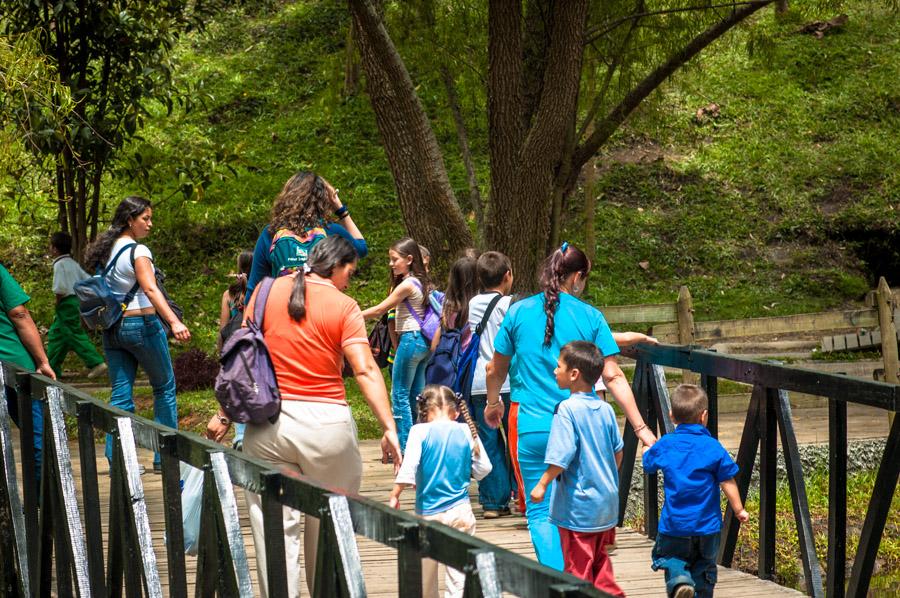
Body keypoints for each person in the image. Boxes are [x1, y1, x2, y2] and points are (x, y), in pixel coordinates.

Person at [206, 236, 401, 598]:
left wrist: (224, 414)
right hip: (327, 430)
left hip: (267, 428)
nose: (349, 281)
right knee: (329, 529)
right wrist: (389, 427)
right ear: (337, 267)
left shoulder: (263, 292)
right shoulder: (344, 305)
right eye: (350, 273)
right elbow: (365, 370)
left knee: (275, 536)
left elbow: (242, 360)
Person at [484, 242, 657, 570]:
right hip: (583, 428)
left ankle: (560, 582)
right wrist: (641, 428)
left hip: (532, 425)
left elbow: (495, 369)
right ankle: (580, 575)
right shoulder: (590, 316)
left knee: (539, 511)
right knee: (580, 504)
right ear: (577, 277)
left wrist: (493, 404)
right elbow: (614, 376)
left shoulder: (518, 312)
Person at [83, 196, 190, 471]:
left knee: (120, 395)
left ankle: (116, 457)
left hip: (113, 328)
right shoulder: (138, 251)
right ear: (130, 220)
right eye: (146, 219)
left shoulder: (104, 252)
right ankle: (165, 458)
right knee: (164, 388)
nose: (150, 224)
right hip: (142, 326)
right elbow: (151, 289)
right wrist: (174, 322)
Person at [530, 341, 624, 596]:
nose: (554, 370)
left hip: (578, 508)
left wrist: (541, 484)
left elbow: (561, 455)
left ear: (574, 374)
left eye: (558, 366)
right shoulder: (606, 409)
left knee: (577, 569)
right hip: (606, 505)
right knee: (600, 564)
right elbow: (618, 452)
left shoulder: (567, 409)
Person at [643, 384, 749, 598]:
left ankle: (679, 579)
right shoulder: (712, 447)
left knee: (670, 559)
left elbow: (648, 464)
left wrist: (646, 449)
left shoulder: (666, 444)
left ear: (672, 416)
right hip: (706, 528)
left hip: (674, 526)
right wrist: (739, 509)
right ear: (704, 416)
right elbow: (727, 480)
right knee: (704, 572)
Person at [389, 385, 491, 598]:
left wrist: (395, 495)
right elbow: (484, 468)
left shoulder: (420, 431)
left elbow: (409, 468)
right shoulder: (465, 430)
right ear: (455, 412)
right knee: (459, 577)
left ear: (424, 412)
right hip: (461, 512)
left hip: (429, 515)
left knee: (425, 577)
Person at [244, 171, 367, 304]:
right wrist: (341, 210)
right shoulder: (331, 231)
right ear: (323, 201)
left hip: (280, 313)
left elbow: (254, 288)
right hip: (321, 313)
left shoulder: (271, 233)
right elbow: (361, 249)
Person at [361, 238, 434, 452]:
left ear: (409, 259)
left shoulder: (408, 284)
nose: (391, 264)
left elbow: (379, 310)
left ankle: (406, 449)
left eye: (395, 260)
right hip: (423, 342)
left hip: (410, 339)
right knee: (417, 396)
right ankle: (422, 447)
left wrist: (351, 314)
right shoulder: (423, 281)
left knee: (400, 394)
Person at [466, 251, 517, 518]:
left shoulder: (472, 303)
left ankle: (493, 503)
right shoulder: (511, 305)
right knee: (515, 441)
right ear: (507, 275)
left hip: (477, 383)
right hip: (507, 381)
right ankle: (522, 496)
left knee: (487, 442)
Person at [0, 262, 56, 479]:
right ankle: (48, 504)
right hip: (14, 364)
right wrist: (42, 361)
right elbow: (18, 313)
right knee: (37, 433)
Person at [46, 231, 106, 379]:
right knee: (56, 335)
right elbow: (87, 280)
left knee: (73, 333)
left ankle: (96, 362)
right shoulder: (73, 264)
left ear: (55, 249)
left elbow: (60, 289)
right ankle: (51, 369)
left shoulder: (59, 265)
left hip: (66, 303)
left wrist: (57, 303)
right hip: (75, 300)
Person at [217, 250, 252, 448]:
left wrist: (221, 352)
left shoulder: (229, 295)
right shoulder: (260, 291)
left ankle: (240, 436)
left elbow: (223, 328)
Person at [429, 255, 477, 352]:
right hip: (467, 361)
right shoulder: (478, 308)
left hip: (447, 358)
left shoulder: (448, 306)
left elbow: (434, 347)